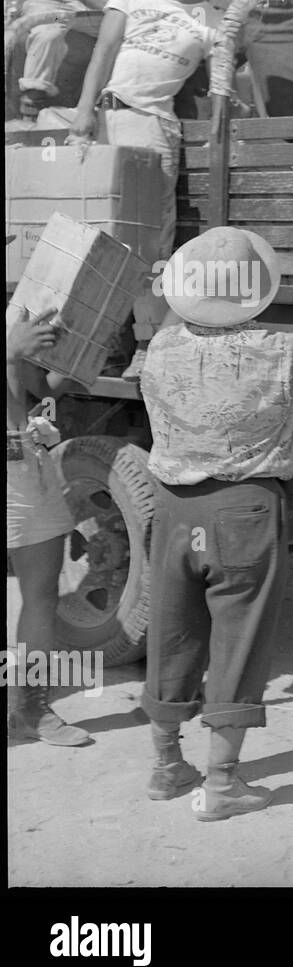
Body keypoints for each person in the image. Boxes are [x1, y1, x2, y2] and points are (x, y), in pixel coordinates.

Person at [138, 227, 293, 820]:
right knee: (238, 641)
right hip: (244, 510)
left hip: (173, 508)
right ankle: (222, 783)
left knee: (173, 633)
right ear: (255, 292)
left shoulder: (162, 345)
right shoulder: (284, 350)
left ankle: (167, 766)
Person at [68, 0, 222, 373]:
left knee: (147, 242)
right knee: (94, 236)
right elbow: (105, 48)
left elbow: (225, 81)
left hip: (153, 128)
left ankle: (146, 347)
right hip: (105, 120)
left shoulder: (211, 18)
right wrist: (83, 111)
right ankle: (87, 345)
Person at [6, 310, 90, 747]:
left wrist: (78, 358)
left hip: (23, 465)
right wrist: (9, 351)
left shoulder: (15, 313)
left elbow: (42, 388)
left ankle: (30, 707)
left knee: (40, 598)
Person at [15, 0, 154, 119]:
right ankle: (32, 105)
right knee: (49, 34)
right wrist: (111, 6)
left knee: (130, 32)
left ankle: (113, 104)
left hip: (80, 3)